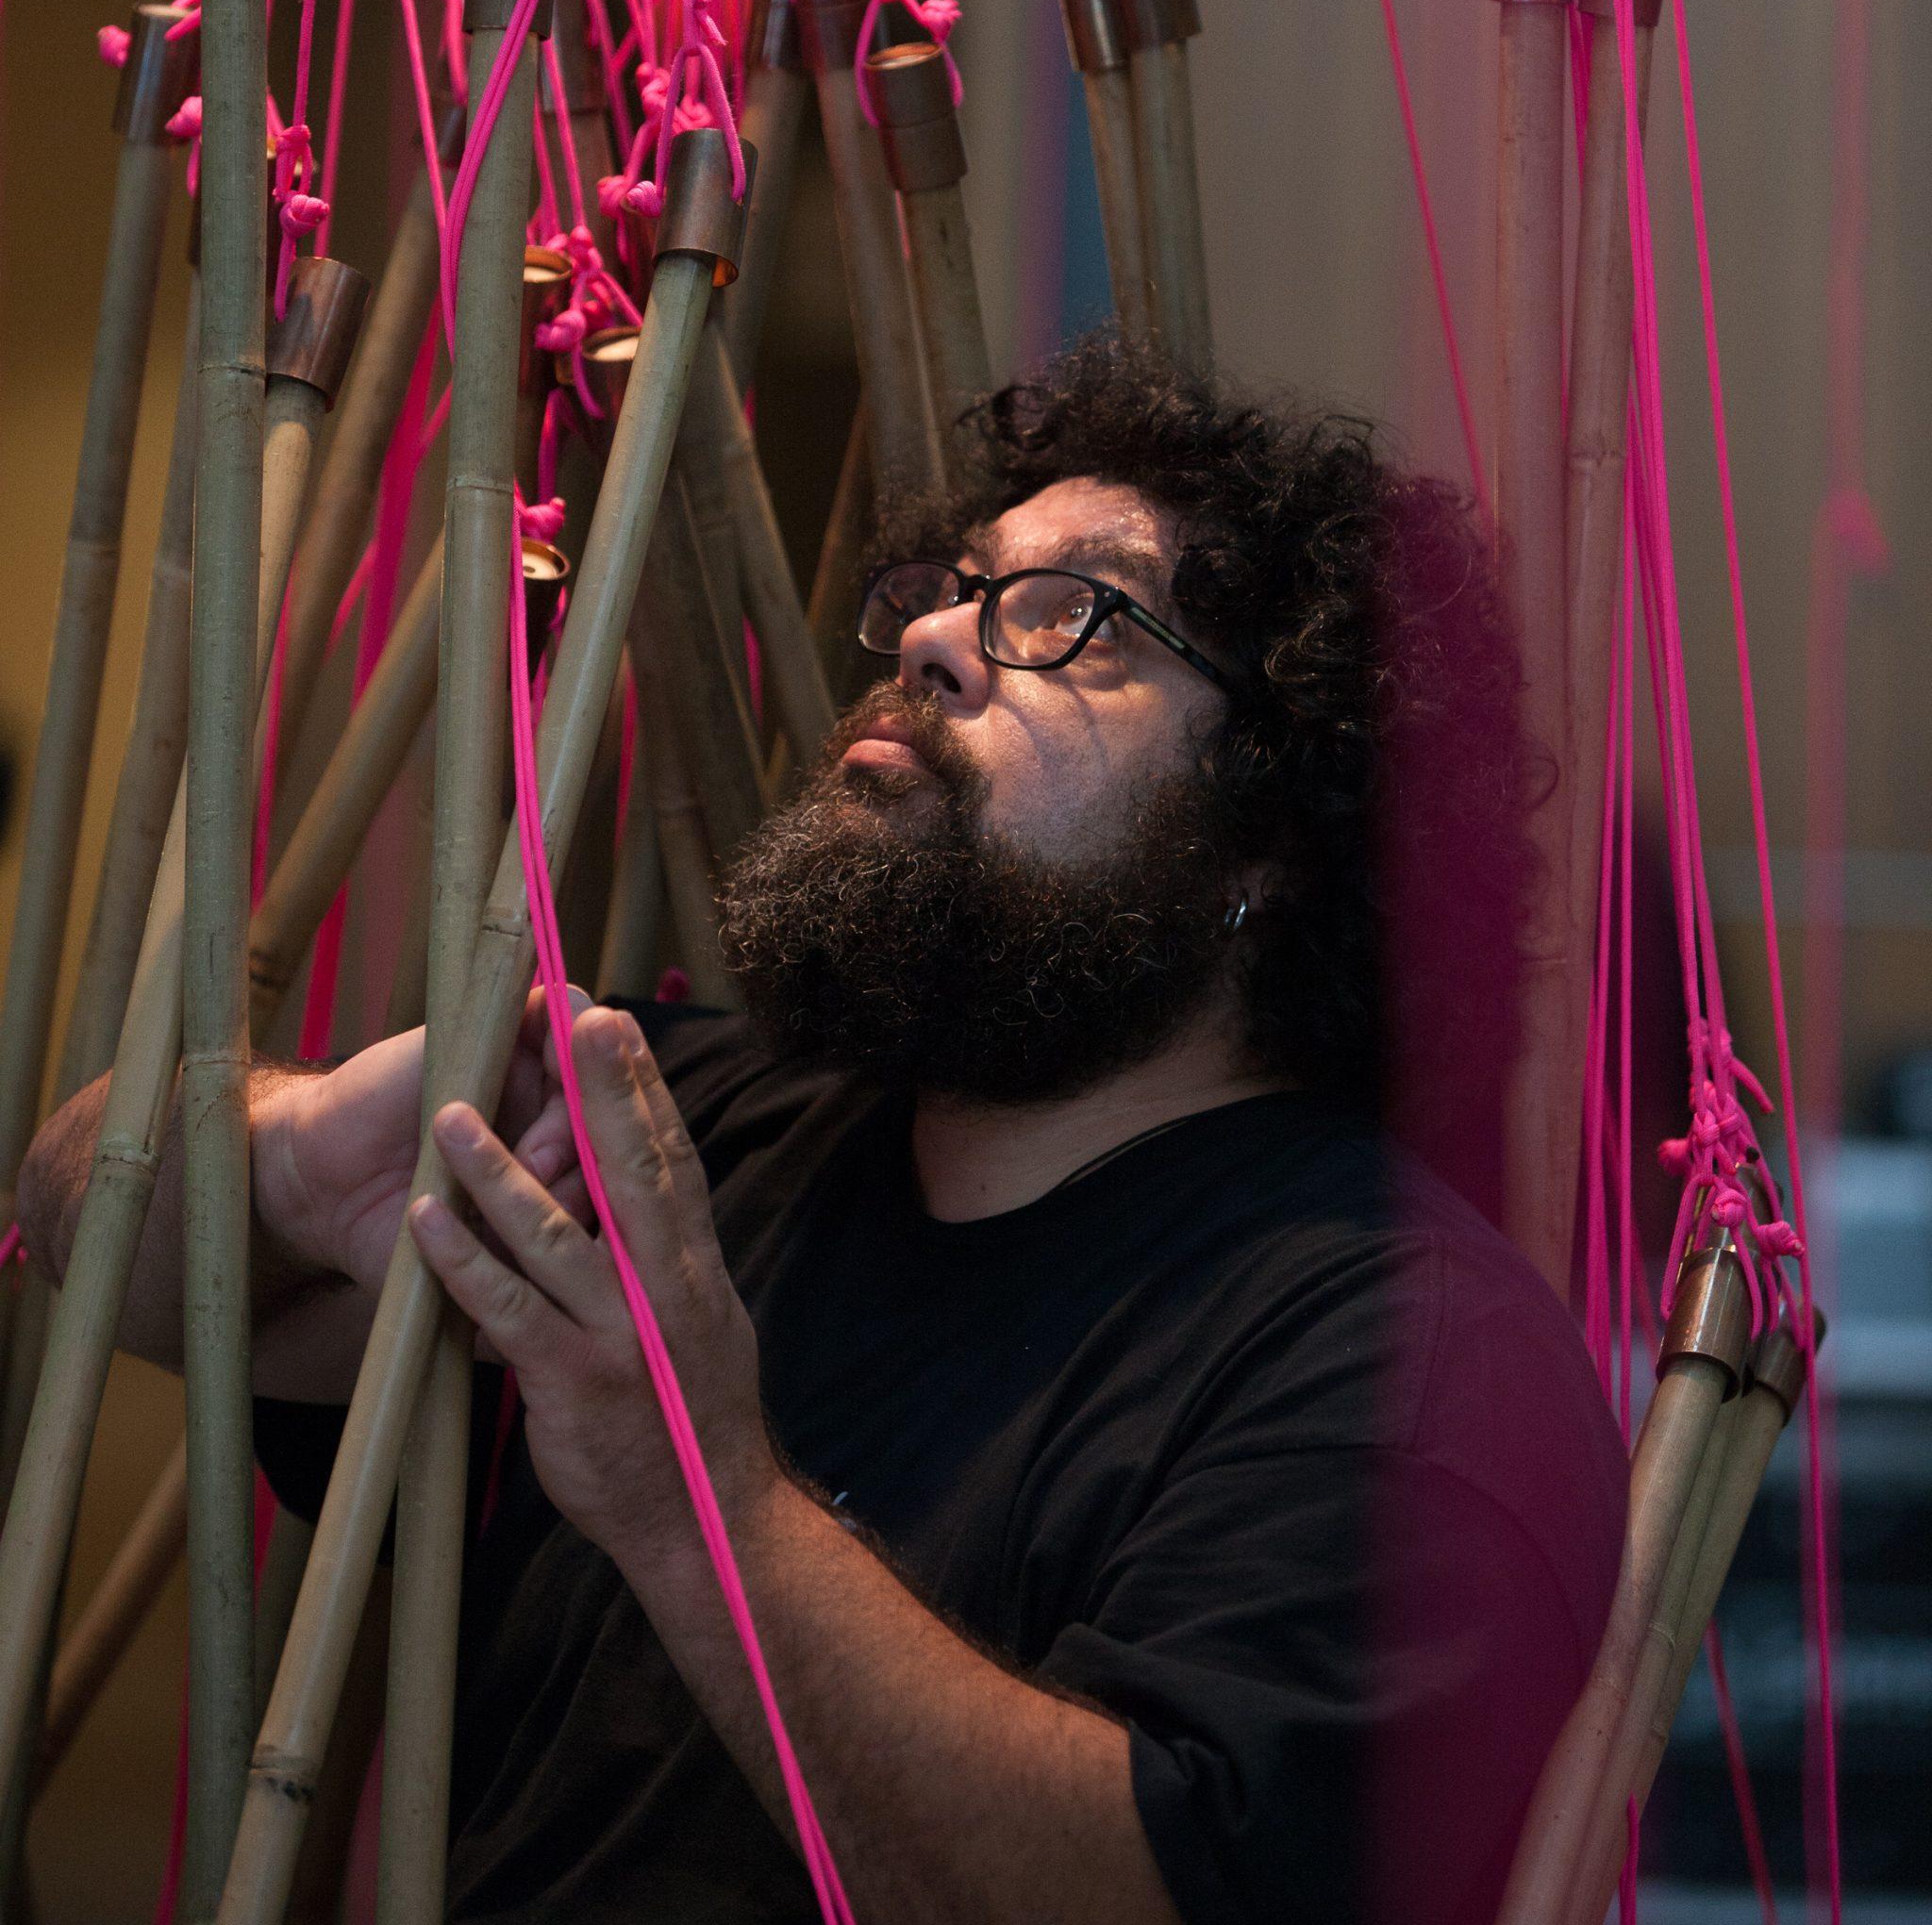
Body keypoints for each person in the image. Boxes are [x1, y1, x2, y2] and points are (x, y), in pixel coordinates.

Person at [22, 341, 1626, 1924]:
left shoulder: (1408, 1361)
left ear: (1271, 838)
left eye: (1065, 618)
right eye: (954, 585)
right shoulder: (684, 1127)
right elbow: (78, 1219)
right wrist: (297, 1171)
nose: (928, 635)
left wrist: (702, 1497)